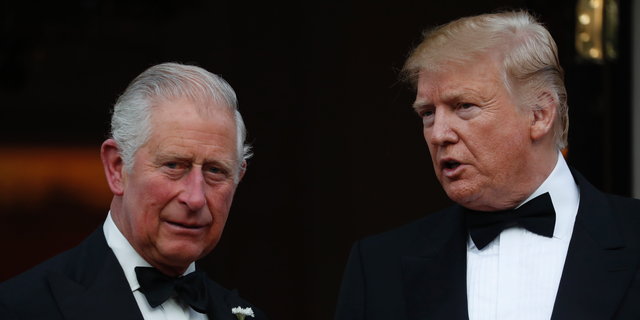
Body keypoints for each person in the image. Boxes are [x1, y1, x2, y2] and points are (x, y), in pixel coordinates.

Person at [335, 11, 640, 320]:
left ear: (540, 115)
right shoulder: (377, 267)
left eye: (464, 106)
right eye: (427, 113)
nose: (439, 134)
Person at [0, 62, 267, 320]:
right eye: (173, 165)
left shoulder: (244, 314)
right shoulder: (19, 308)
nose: (195, 198)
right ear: (117, 168)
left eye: (215, 171)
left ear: (237, 178)